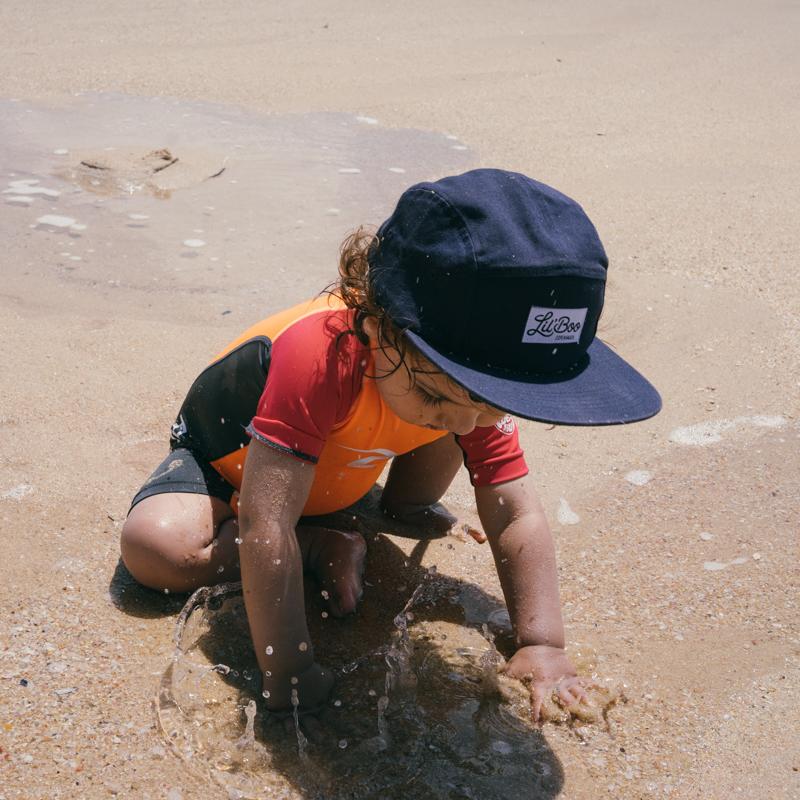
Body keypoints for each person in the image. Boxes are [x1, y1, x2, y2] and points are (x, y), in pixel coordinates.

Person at [120, 168, 661, 722]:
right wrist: (289, 670)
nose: (473, 419)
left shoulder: (464, 380)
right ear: (378, 330)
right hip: (234, 471)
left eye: (494, 400)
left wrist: (543, 645)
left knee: (449, 427)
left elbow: (515, 509)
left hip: (352, 456)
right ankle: (318, 546)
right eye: (440, 390)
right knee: (154, 548)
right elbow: (264, 522)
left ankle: (400, 505)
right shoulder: (321, 350)